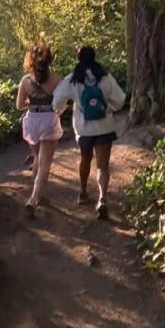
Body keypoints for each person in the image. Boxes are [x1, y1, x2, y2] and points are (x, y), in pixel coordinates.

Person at [52, 45, 126, 221]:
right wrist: (110, 107)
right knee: (103, 165)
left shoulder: (73, 79)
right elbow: (120, 100)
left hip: (83, 128)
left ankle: (83, 192)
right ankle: (102, 198)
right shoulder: (105, 77)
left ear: (78, 59)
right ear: (94, 57)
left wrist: (65, 107)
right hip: (104, 126)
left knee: (85, 159)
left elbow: (56, 102)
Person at [16, 39, 63, 218]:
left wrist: (32, 102)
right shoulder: (58, 79)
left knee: (37, 157)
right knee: (44, 163)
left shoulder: (25, 81)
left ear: (30, 60)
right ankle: (34, 198)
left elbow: (19, 105)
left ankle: (38, 195)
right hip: (49, 120)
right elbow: (61, 105)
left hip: (32, 121)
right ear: (50, 59)